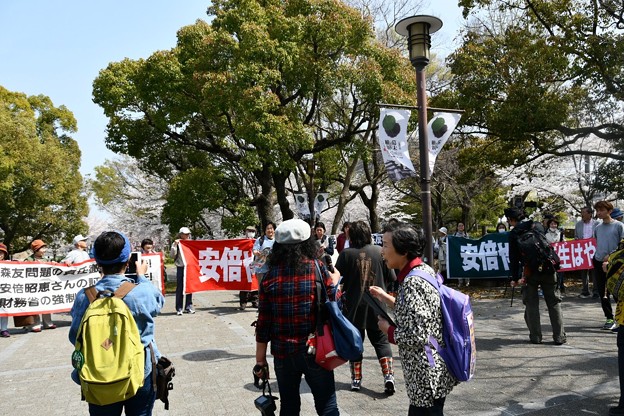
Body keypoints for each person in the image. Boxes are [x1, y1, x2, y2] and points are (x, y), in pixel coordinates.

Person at [69, 231, 165, 415]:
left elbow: (75, 336)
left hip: (97, 375)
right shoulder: (140, 291)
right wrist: (142, 277)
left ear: (96, 260)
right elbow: (159, 303)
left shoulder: (85, 296)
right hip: (139, 371)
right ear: (128, 258)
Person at [254, 218, 341, 416]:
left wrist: (260, 361)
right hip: (316, 349)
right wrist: (335, 283)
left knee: (289, 407)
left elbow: (263, 323)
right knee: (327, 406)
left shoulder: (270, 277)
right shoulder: (318, 269)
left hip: (283, 352)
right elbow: (335, 306)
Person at [369, 222, 457, 415]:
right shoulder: (423, 269)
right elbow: (417, 313)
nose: (381, 251)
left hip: (425, 374)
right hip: (433, 366)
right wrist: (386, 298)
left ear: (403, 251)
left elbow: (417, 335)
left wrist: (388, 330)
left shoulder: (412, 282)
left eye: (385, 245)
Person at [335, 220, 396, 394]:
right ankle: (389, 376)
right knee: (381, 341)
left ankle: (356, 379)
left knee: (355, 342)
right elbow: (391, 277)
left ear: (352, 236)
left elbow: (338, 281)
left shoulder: (346, 254)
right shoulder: (379, 252)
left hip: (353, 307)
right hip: (378, 306)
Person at [505, 207, 566, 345]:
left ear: (511, 220)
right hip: (548, 269)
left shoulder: (514, 234)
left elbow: (513, 258)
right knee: (554, 303)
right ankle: (559, 337)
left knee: (531, 305)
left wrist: (514, 278)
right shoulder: (537, 225)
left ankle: (536, 337)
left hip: (530, 271)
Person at [593, 200, 624, 330]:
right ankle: (609, 317)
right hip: (599, 261)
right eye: (597, 210)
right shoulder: (598, 227)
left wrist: (610, 256)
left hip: (615, 263)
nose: (599, 213)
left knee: (617, 291)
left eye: (601, 210)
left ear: (609, 211)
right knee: (602, 291)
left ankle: (620, 319)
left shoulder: (619, 226)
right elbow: (598, 242)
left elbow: (622, 246)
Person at [243, 222, 276, 310]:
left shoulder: (278, 240)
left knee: (273, 288)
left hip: (273, 268)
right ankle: (262, 306)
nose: (270, 230)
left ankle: (271, 305)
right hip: (261, 268)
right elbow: (255, 250)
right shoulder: (260, 239)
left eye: (271, 228)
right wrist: (257, 253)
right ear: (265, 230)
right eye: (267, 228)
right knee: (262, 288)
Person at [25, 239, 56, 331]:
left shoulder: (46, 260)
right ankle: (36, 325)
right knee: (35, 304)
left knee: (46, 302)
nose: (44, 250)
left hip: (44, 286)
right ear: (36, 249)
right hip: (33, 287)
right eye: (42, 248)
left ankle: (48, 323)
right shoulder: (28, 260)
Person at [170, 227, 195, 315]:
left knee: (189, 287)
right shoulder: (177, 243)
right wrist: (175, 246)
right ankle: (179, 308)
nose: (187, 235)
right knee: (180, 288)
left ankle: (188, 306)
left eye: (188, 234)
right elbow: (172, 256)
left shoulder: (191, 243)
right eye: (185, 234)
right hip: (181, 267)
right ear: (180, 234)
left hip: (190, 267)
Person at [575, 207, 599, 298]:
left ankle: (596, 291)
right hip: (582, 250)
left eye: (584, 213)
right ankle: (585, 290)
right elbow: (576, 236)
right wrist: (577, 240)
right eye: (581, 213)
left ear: (590, 214)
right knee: (584, 271)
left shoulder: (597, 224)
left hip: (594, 250)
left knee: (594, 270)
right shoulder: (578, 224)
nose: (582, 215)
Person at [544, 218, 565, 293]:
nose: (553, 225)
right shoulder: (545, 233)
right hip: (549, 256)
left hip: (558, 255)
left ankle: (559, 287)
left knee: (559, 271)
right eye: (552, 224)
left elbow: (564, 243)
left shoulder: (560, 233)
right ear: (549, 224)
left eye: (555, 224)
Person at [0, 243, 10, 338]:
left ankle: (4, 329)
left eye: (2, 253)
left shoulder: (8, 264)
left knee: (4, 311)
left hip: (4, 292)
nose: (0, 255)